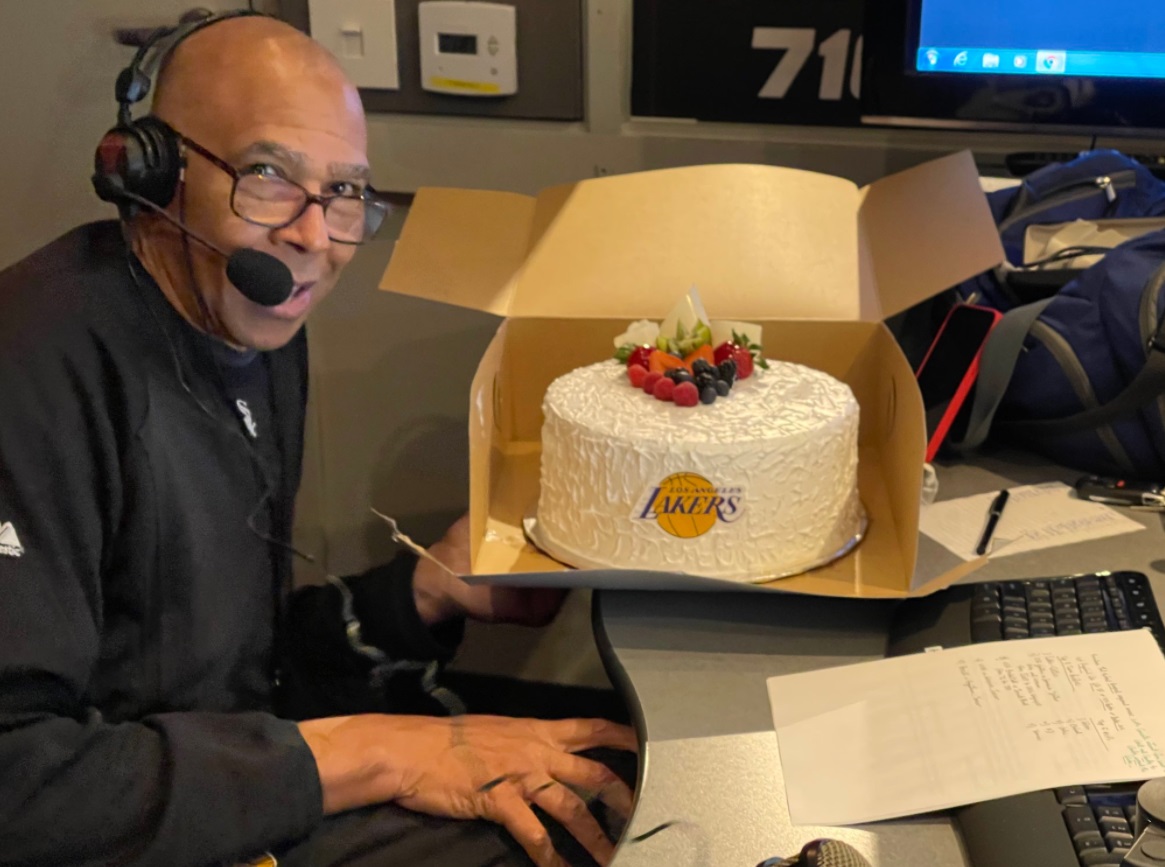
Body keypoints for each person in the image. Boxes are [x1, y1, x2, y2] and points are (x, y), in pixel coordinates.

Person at [0, 10, 636, 867]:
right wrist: (371, 754)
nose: (312, 238)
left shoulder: (251, 324)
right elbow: (18, 783)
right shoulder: (35, 366)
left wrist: (416, 596)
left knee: (596, 795)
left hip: (207, 796)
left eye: (343, 192)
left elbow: (230, 679)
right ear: (149, 172)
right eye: (267, 174)